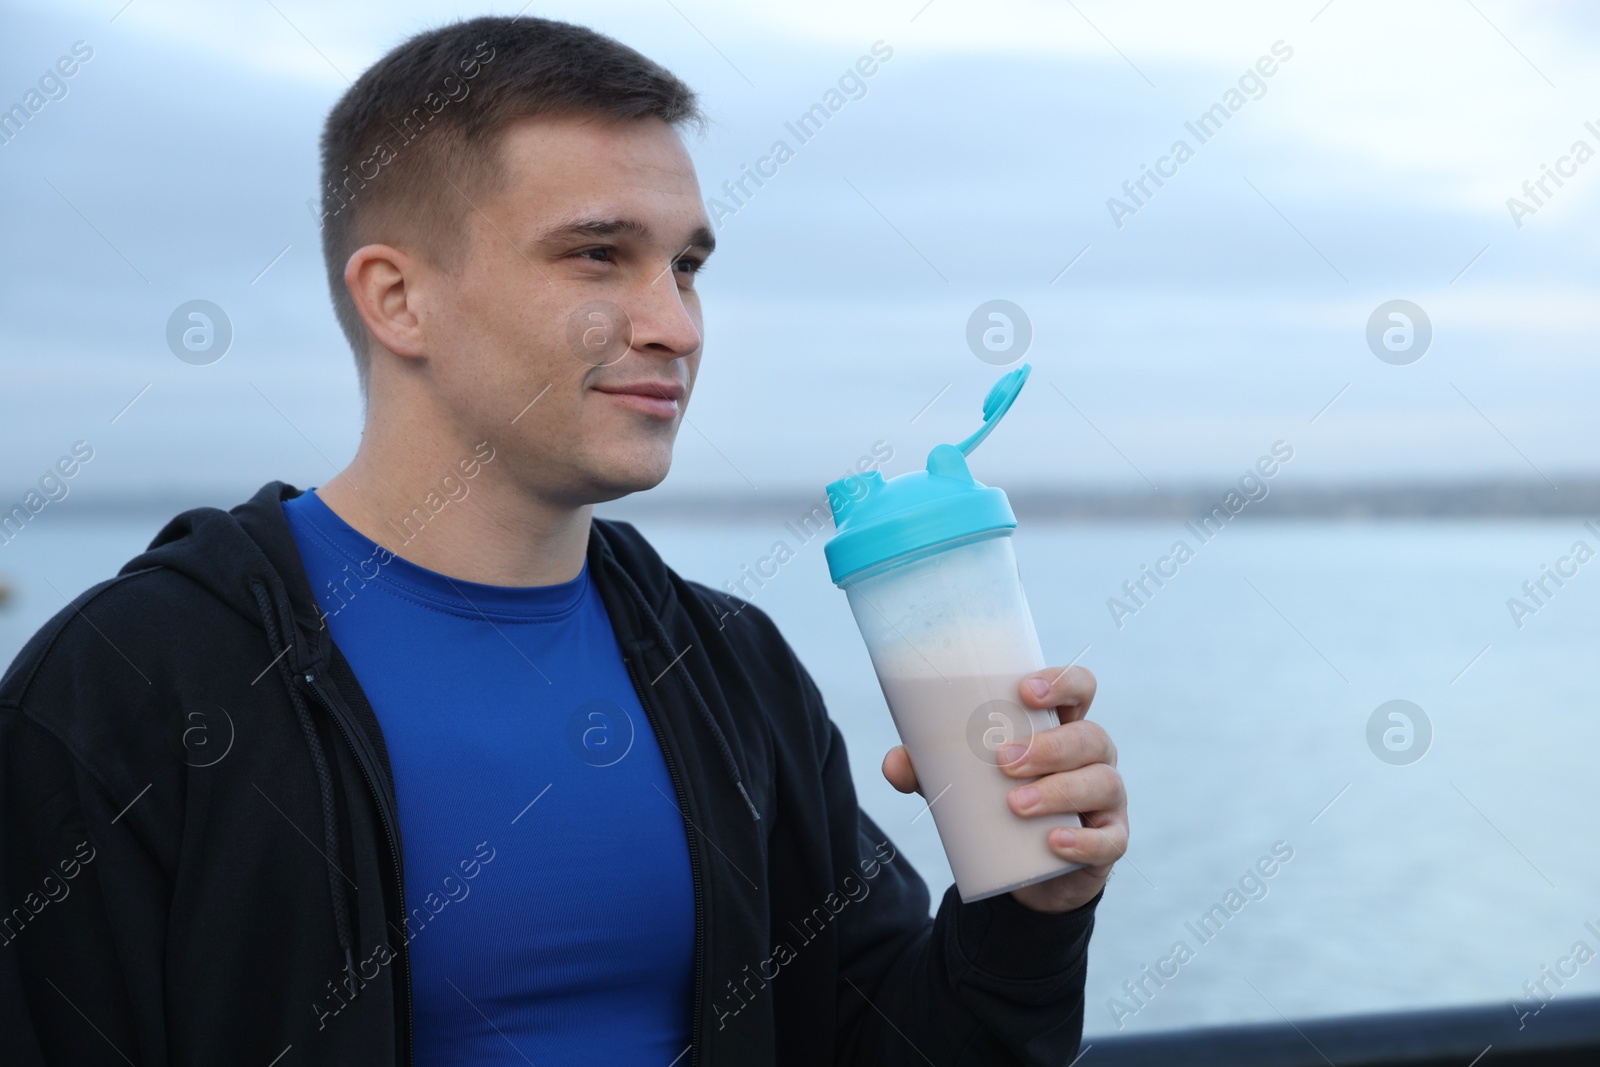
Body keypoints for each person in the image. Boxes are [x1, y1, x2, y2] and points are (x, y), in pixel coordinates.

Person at [0, 15, 1127, 1066]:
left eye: (686, 265)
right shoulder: (126, 687)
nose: (675, 325)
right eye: (599, 256)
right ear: (398, 300)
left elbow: (889, 1039)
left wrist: (1030, 911)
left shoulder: (725, 664)